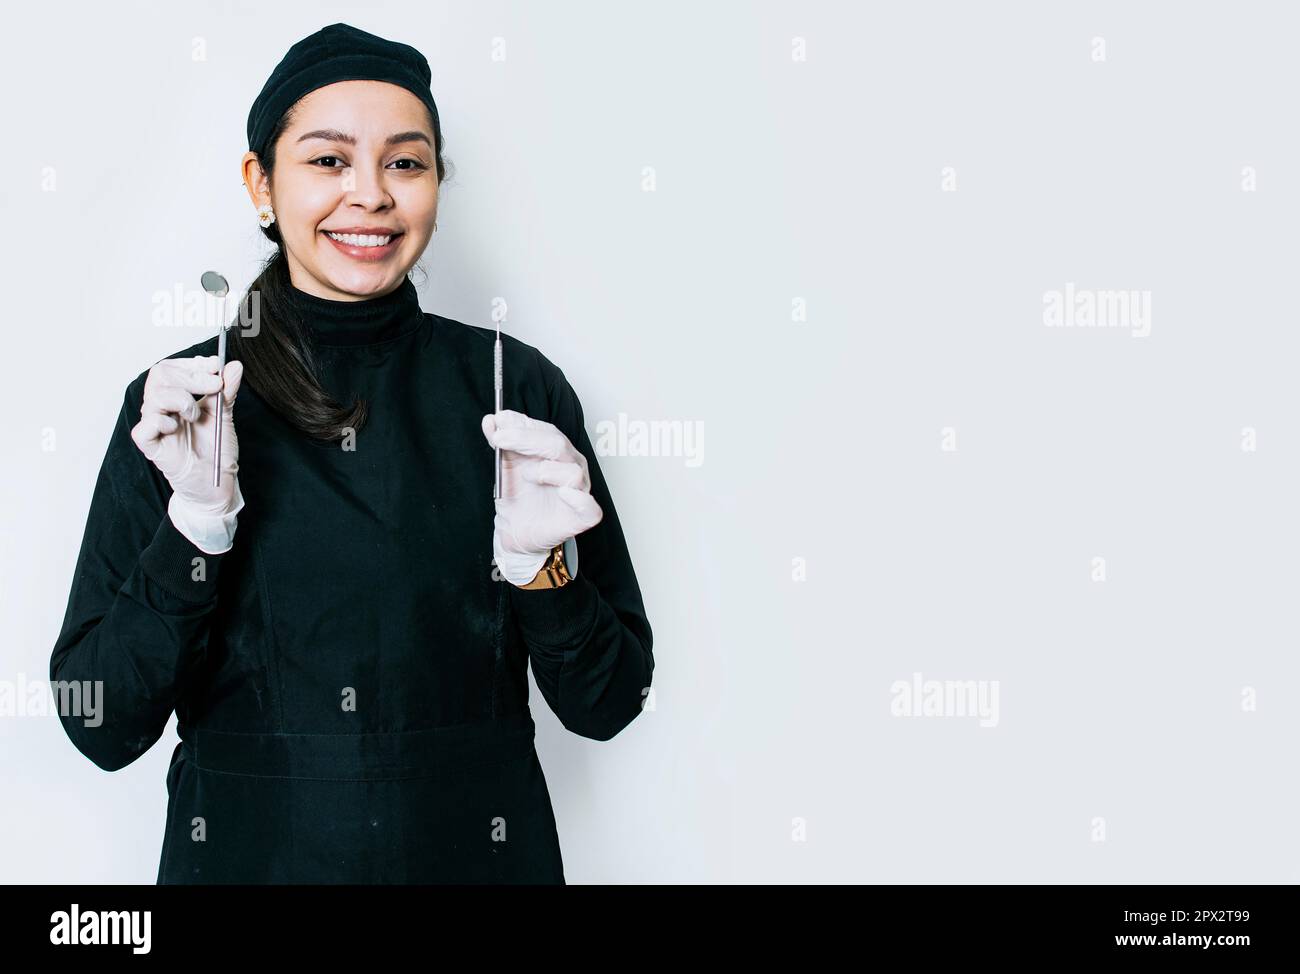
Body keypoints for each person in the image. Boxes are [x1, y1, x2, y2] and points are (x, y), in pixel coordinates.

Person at [48, 22, 654, 884]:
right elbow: (99, 723)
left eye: (405, 162)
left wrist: (540, 574)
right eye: (328, 160)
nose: (369, 195)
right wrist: (194, 528)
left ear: (438, 182)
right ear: (261, 183)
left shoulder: (515, 388)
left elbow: (609, 703)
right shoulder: (182, 406)